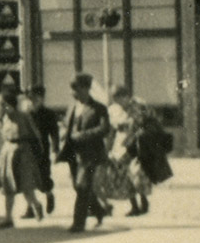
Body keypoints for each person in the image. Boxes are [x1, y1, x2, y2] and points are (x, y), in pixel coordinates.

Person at [58, 73, 110, 233]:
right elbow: (67, 126)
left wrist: (83, 135)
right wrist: (63, 133)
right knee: (78, 186)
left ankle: (78, 223)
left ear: (87, 89)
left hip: (91, 154)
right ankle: (99, 210)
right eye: (72, 90)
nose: (74, 93)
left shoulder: (99, 108)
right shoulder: (72, 107)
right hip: (73, 153)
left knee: (82, 186)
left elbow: (104, 129)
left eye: (77, 89)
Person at [110, 87, 173, 215]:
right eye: (116, 100)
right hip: (122, 145)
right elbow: (113, 126)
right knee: (123, 174)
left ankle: (144, 202)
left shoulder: (139, 105)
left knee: (139, 173)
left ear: (126, 96)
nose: (119, 103)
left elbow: (146, 122)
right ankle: (134, 205)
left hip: (139, 144)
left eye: (120, 99)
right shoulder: (115, 109)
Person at [0, 79, 44, 229]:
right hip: (8, 153)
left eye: (2, 105)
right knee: (8, 188)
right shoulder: (2, 119)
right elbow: (4, 136)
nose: (0, 108)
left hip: (24, 153)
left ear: (9, 104)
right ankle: (8, 218)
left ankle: (36, 205)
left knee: (27, 187)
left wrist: (39, 153)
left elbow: (35, 135)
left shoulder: (24, 116)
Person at [26, 84, 61, 217]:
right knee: (27, 178)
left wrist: (55, 149)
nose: (32, 100)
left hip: (42, 150)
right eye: (30, 97)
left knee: (43, 177)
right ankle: (30, 208)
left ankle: (49, 194)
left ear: (42, 98)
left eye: (35, 97)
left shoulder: (49, 114)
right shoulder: (27, 114)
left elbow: (54, 133)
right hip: (28, 150)